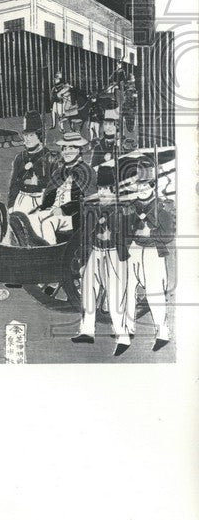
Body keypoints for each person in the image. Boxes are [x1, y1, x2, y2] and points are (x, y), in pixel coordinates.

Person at [73, 166, 132, 355]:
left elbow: (127, 236)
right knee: (88, 291)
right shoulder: (91, 208)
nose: (102, 192)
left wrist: (110, 223)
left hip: (115, 253)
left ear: (114, 190)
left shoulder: (123, 209)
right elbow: (85, 237)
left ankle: (123, 336)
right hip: (96, 252)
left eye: (106, 189)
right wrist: (83, 262)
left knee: (115, 296)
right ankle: (87, 331)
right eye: (100, 188)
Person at [125, 157, 174, 351]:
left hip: (153, 252)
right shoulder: (131, 207)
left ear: (153, 185)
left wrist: (151, 233)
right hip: (134, 251)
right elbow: (124, 229)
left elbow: (168, 234)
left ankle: (162, 333)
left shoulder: (162, 207)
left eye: (146, 185)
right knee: (128, 290)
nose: (143, 189)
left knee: (154, 292)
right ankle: (127, 328)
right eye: (139, 186)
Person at [32, 131, 96, 244]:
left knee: (47, 223)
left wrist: (64, 209)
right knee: (33, 218)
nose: (67, 152)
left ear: (79, 150)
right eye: (64, 148)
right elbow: (51, 193)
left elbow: (88, 199)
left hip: (75, 216)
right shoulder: (59, 171)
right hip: (55, 211)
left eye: (71, 148)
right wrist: (43, 206)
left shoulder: (86, 171)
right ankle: (40, 251)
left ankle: (52, 253)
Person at [7, 111, 56, 235]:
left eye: (31, 135)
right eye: (26, 135)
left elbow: (53, 183)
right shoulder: (20, 157)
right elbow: (14, 183)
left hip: (40, 200)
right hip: (21, 200)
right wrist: (11, 205)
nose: (27, 139)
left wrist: (38, 183)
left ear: (39, 136)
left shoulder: (49, 156)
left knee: (39, 233)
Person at [89, 99, 123, 170]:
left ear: (117, 125)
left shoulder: (123, 144)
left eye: (110, 124)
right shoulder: (98, 147)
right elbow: (93, 168)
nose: (107, 127)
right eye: (105, 124)